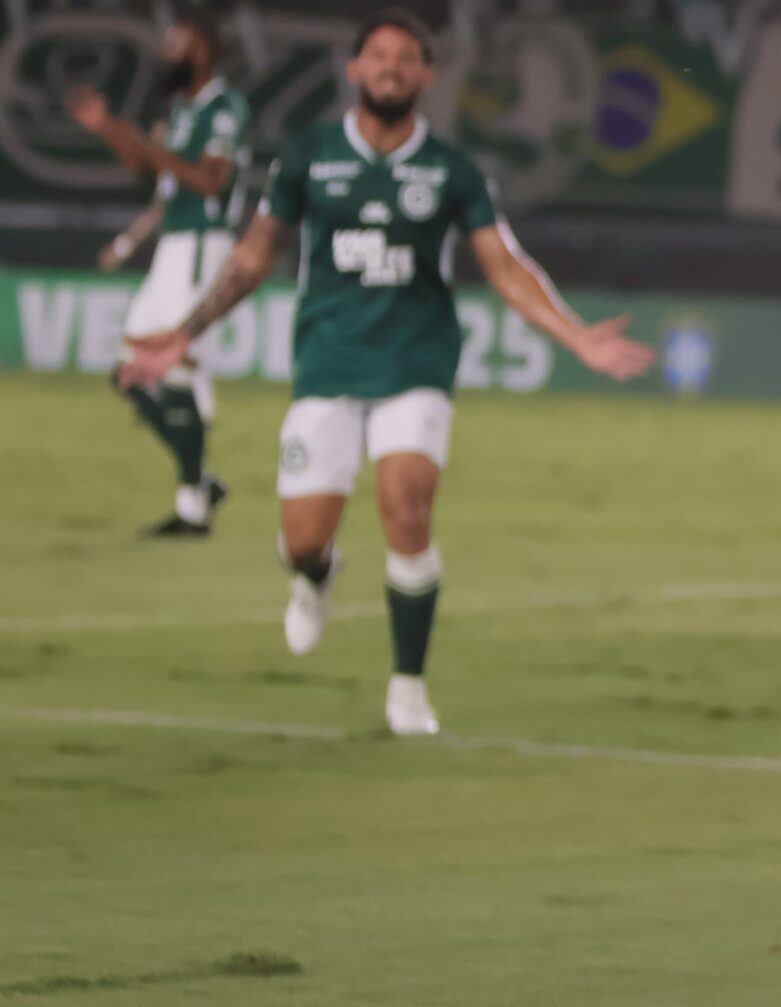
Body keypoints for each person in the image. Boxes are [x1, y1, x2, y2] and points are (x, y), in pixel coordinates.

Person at [121, 9, 653, 737]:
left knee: (407, 506)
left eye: (406, 58)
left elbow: (505, 265)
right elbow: (253, 255)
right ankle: (315, 576)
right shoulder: (307, 156)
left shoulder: (452, 170)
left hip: (416, 363)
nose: (391, 68)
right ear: (354, 70)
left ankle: (408, 688)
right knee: (302, 541)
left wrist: (575, 335)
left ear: (426, 75)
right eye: (378, 55)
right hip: (327, 364)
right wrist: (185, 331)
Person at [67, 6, 250, 537]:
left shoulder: (223, 108)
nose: (168, 51)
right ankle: (201, 482)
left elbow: (211, 181)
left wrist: (149, 144)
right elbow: (150, 176)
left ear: (203, 50)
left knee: (171, 369)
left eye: (177, 43)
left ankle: (193, 506)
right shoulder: (182, 110)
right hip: (174, 243)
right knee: (130, 370)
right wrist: (110, 130)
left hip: (202, 244)